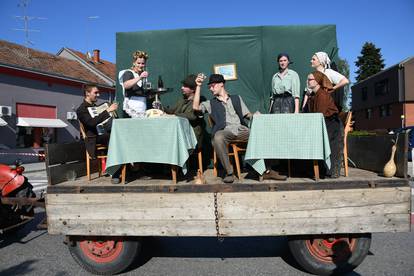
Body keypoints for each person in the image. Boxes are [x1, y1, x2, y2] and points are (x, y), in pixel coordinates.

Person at [193, 74, 285, 183]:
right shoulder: (210, 103)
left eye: (212, 86)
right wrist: (198, 86)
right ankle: (229, 172)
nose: (211, 89)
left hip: (242, 130)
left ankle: (268, 171)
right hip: (225, 131)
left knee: (263, 134)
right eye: (209, 87)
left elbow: (247, 115)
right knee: (218, 137)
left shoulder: (236, 98)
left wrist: (254, 115)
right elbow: (195, 107)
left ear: (221, 84)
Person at [76, 84, 121, 183]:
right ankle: (115, 173)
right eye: (95, 92)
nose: (98, 95)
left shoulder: (95, 107)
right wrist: (107, 111)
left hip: (103, 133)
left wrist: (110, 115)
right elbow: (92, 123)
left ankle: (127, 168)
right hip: (93, 137)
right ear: (87, 93)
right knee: (112, 137)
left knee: (119, 134)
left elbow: (99, 120)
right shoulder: (81, 109)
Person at [306, 71, 343, 178]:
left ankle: (327, 170)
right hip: (323, 122)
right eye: (308, 79)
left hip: (332, 124)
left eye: (310, 79)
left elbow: (319, 114)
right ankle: (315, 168)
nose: (308, 81)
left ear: (317, 81)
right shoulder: (313, 95)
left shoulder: (322, 95)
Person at [164, 74, 204, 148]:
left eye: (185, 86)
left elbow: (192, 116)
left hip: (192, 136)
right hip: (180, 133)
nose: (182, 88)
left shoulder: (198, 101)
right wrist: (161, 107)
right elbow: (171, 111)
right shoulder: (182, 100)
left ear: (192, 89)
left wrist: (175, 115)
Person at [119, 50, 150, 117]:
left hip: (142, 107)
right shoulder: (128, 73)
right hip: (131, 107)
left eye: (143, 63)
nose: (141, 65)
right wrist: (140, 77)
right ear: (134, 63)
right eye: (138, 63)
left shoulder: (144, 76)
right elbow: (126, 85)